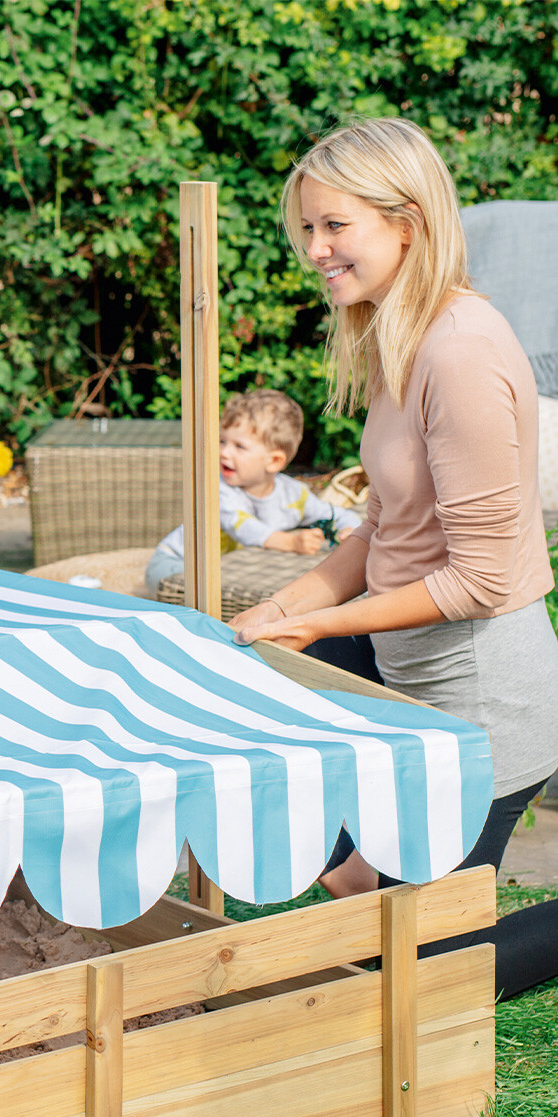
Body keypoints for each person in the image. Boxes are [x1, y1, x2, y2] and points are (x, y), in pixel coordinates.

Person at [232, 117, 558, 1000]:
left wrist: (318, 623)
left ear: (407, 222)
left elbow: (480, 579)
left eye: (335, 227)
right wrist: (279, 610)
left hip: (483, 701)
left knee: (417, 984)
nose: (313, 250)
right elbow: (384, 530)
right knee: (246, 686)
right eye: (306, 228)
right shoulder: (394, 332)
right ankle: (364, 873)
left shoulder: (461, 351)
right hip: (408, 672)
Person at [145, 388, 362, 598]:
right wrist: (290, 543)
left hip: (228, 572)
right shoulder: (218, 489)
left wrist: (348, 531)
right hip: (176, 564)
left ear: (274, 461)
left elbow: (336, 514)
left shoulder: (294, 495)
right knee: (208, 597)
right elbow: (243, 527)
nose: (223, 452)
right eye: (223, 441)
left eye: (239, 446)